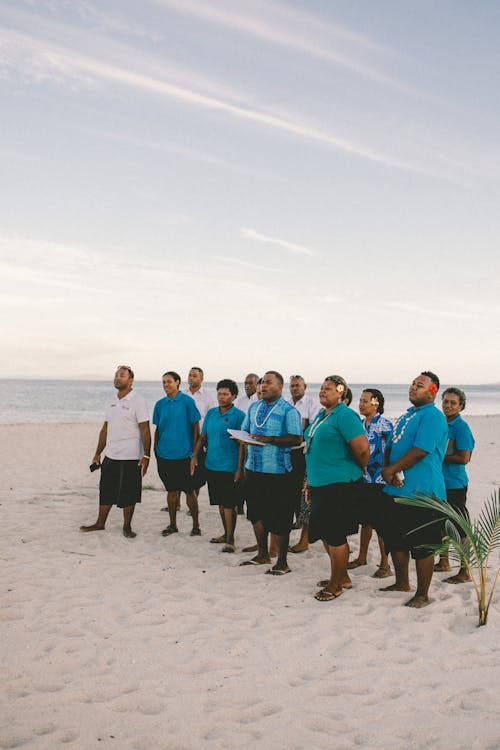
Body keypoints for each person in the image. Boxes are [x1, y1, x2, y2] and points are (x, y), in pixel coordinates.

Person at [379, 371, 448, 608]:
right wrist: (388, 468)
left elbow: (421, 450)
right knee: (396, 540)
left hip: (422, 493)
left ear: (433, 391)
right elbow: (391, 445)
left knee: (423, 544)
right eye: (412, 383)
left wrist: (392, 470)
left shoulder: (434, 417)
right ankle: (401, 583)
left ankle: (422, 594)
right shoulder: (407, 415)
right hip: (396, 490)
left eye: (420, 385)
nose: (413, 387)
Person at [304, 375, 370, 601]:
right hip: (319, 483)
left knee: (335, 535)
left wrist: (358, 468)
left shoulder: (345, 415)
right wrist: (309, 481)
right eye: (321, 388)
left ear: (341, 392)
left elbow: (362, 449)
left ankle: (336, 585)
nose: (323, 392)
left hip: (339, 485)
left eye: (329, 389)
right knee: (323, 531)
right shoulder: (323, 415)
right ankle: (343, 577)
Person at [237, 371, 302, 574]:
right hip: (253, 469)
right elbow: (245, 430)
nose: (263, 386)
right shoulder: (254, 407)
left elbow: (296, 439)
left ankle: (282, 562)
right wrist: (241, 438)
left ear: (279, 387)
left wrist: (270, 440)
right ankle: (263, 554)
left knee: (280, 518)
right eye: (262, 383)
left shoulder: (289, 411)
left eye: (268, 382)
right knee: (255, 514)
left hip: (278, 473)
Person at [80, 365, 151, 539]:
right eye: (116, 375)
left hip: (131, 454)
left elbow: (145, 429)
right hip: (111, 454)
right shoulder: (111, 400)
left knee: (129, 492)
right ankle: (100, 523)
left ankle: (127, 527)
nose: (117, 378)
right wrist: (98, 453)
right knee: (106, 489)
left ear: (131, 380)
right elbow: (105, 428)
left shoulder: (138, 401)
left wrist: (147, 455)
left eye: (122, 375)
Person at [191, 379, 245, 553]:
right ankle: (225, 533)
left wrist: (239, 469)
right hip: (212, 465)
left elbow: (242, 445)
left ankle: (230, 539)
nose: (222, 397)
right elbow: (203, 436)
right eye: (219, 393)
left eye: (226, 394)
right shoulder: (212, 413)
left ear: (234, 396)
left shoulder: (239, 416)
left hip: (229, 466)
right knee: (221, 504)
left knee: (230, 504)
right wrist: (194, 455)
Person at [348, 388, 393, 578]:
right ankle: (362, 557)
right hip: (363, 478)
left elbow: (392, 450)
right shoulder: (359, 424)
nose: (361, 404)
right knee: (365, 521)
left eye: (365, 401)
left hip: (380, 480)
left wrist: (393, 473)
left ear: (376, 403)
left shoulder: (385, 425)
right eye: (360, 400)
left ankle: (385, 564)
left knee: (381, 523)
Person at [153, 371, 203, 537]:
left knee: (190, 492)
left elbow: (196, 427)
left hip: (185, 455)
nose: (166, 385)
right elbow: (158, 428)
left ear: (178, 382)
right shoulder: (160, 404)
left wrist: (194, 453)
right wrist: (155, 450)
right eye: (164, 382)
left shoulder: (188, 402)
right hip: (165, 455)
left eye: (169, 382)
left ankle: (196, 526)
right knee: (172, 491)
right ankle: (173, 525)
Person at [434, 387, 475, 583]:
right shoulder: (440, 423)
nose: (448, 405)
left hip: (455, 484)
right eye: (445, 401)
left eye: (453, 403)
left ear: (461, 406)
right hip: (439, 482)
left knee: (460, 529)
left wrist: (438, 456)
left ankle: (465, 571)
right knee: (442, 524)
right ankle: (444, 562)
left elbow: (464, 457)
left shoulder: (461, 428)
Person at [286, 375, 320, 552]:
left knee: (304, 495)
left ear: (305, 387)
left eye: (298, 385)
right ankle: (296, 522)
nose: (294, 388)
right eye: (292, 386)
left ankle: (304, 540)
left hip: (304, 453)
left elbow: (313, 429)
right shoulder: (286, 404)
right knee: (290, 493)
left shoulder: (312, 404)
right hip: (286, 452)